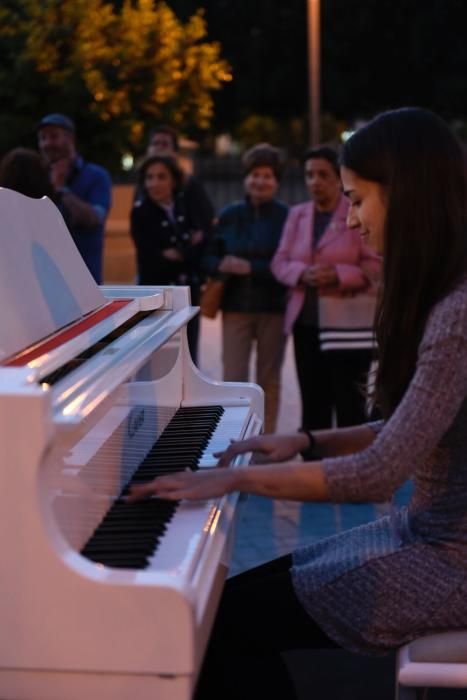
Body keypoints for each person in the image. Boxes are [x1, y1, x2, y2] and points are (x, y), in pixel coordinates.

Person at [128, 108, 467, 699]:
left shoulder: (457, 312)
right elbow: (413, 426)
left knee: (218, 627)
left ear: (407, 196)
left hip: (449, 562)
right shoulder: (449, 294)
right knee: (222, 607)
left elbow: (380, 472)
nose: (352, 220)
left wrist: (231, 482)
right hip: (421, 535)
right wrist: (306, 441)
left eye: (358, 200)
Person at [271, 145, 381, 431]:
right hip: (306, 322)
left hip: (348, 324)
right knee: (313, 402)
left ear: (337, 178)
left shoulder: (355, 212)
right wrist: (303, 272)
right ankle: (311, 464)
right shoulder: (297, 214)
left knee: (349, 403)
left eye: (322, 174)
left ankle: (351, 467)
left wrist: (338, 274)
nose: (314, 181)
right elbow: (279, 262)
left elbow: (375, 263)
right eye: (309, 175)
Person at [202, 143, 289, 433]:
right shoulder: (229, 214)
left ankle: (266, 444)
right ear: (245, 178)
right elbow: (209, 256)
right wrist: (220, 264)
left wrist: (252, 268)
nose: (260, 181)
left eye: (267, 175)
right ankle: (233, 437)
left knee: (269, 379)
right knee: (233, 378)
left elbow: (288, 263)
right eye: (255, 174)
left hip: (274, 308)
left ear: (276, 181)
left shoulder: (287, 217)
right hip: (235, 306)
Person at [130, 154, 205, 363]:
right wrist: (185, 250)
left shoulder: (186, 207)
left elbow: (202, 245)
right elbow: (151, 258)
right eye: (149, 177)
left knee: (189, 355)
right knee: (162, 360)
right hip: (159, 297)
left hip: (189, 293)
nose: (154, 183)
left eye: (161, 177)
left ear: (173, 180)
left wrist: (179, 253)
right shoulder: (141, 212)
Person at [36, 113, 112, 283]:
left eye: (54, 136)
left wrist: (61, 189)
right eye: (43, 138)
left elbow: (95, 219)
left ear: (70, 138)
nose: (47, 143)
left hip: (86, 280)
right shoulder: (35, 177)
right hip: (44, 281)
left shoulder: (97, 176)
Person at [134, 124, 215, 239]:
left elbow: (205, 221)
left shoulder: (190, 184)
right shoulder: (142, 183)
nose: (159, 148)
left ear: (175, 151)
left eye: (165, 144)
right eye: (155, 143)